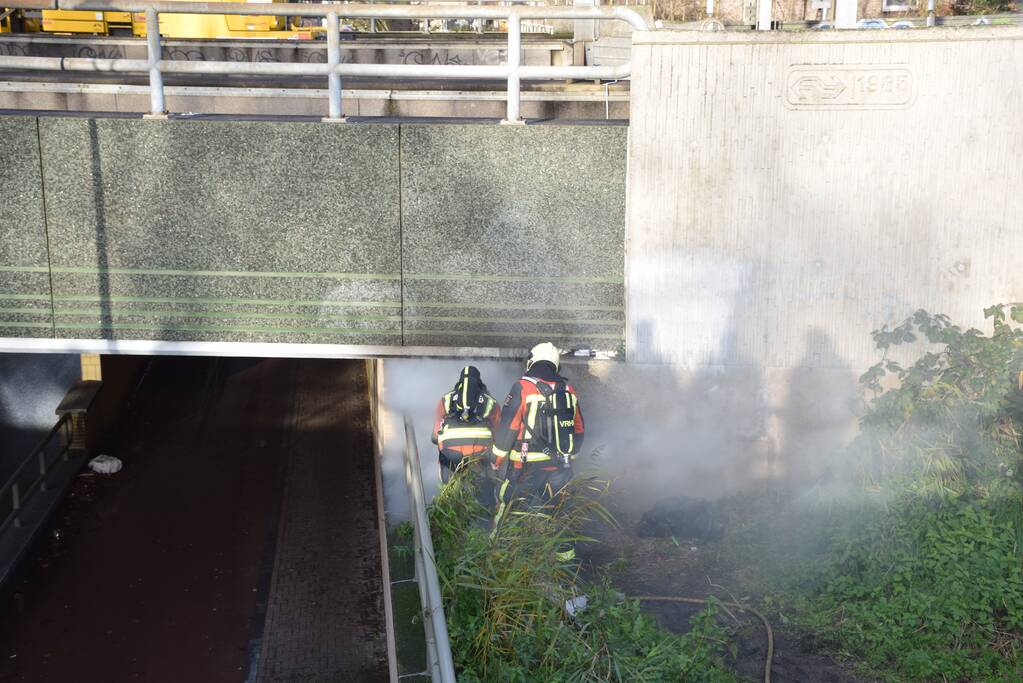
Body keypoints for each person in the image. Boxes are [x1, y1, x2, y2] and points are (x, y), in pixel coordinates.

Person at [491, 342, 585, 531]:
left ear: (531, 362)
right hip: (559, 467)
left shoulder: (522, 387)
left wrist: (496, 460)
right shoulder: (568, 391)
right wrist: (569, 457)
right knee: (559, 515)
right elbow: (579, 429)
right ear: (556, 365)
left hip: (525, 467)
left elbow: (508, 427)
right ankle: (563, 558)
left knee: (509, 510)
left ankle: (501, 552)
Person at [431, 365, 501, 509]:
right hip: (480, 457)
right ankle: (485, 523)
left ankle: (450, 511)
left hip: (450, 457)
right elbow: (498, 436)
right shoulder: (491, 402)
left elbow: (435, 434)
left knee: (450, 497)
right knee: (484, 498)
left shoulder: (445, 400)